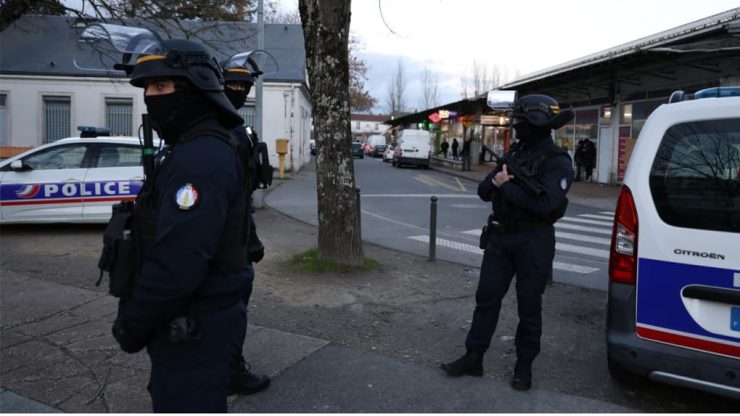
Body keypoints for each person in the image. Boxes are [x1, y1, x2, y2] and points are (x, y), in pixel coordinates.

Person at [110, 38, 252, 412]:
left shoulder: (200, 158)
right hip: (192, 321)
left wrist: (134, 323)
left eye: (160, 87)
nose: (151, 97)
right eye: (147, 89)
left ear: (192, 90)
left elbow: (180, 259)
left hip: (194, 324)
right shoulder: (193, 147)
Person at [441, 94, 574, 391]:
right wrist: (503, 182)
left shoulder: (558, 162)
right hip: (501, 237)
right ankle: (474, 357)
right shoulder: (514, 153)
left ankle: (523, 367)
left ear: (536, 123)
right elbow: (485, 191)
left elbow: (546, 206)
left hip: (533, 241)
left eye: (519, 121)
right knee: (486, 299)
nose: (515, 126)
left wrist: (509, 186)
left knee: (529, 306)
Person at [222, 55, 272, 396]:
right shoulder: (223, 128)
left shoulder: (234, 126)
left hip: (237, 228)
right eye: (233, 84)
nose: (239, 90)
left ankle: (222, 365)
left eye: (244, 86)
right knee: (232, 305)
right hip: (227, 237)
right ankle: (230, 371)